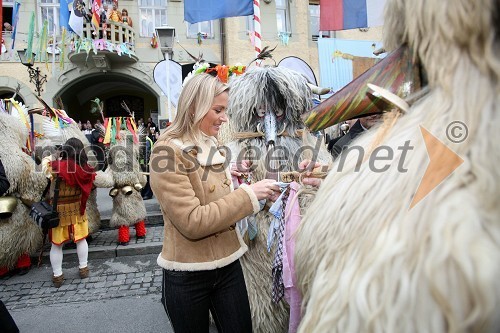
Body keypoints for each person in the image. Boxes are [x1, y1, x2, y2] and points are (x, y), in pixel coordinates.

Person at [149, 73, 280, 332]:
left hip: (229, 264)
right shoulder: (166, 151)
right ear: (194, 107)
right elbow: (192, 221)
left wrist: (230, 175)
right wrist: (250, 194)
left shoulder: (212, 143)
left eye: (225, 110)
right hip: (187, 275)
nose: (224, 118)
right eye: (218, 110)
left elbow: (203, 184)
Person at [42, 138, 96, 288]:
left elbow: (44, 163)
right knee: (81, 240)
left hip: (59, 211)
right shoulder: (86, 168)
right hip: (78, 210)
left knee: (57, 245)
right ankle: (83, 268)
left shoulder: (56, 167)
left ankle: (58, 275)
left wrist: (55, 154)